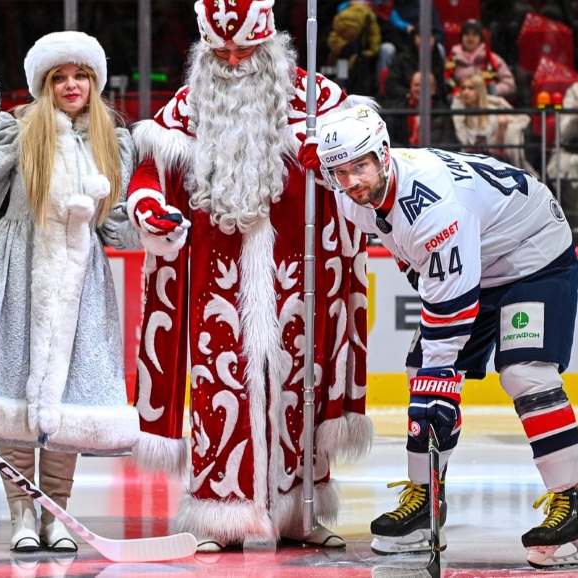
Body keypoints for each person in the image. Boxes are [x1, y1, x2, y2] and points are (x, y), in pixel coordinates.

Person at [126, 0, 371, 553]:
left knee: (301, 384)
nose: (234, 62)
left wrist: (326, 158)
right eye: (223, 52)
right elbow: (151, 169)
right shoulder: (190, 104)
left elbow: (362, 157)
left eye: (245, 51)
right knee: (219, 386)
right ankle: (220, 517)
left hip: (299, 272)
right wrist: (147, 207)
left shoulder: (317, 100)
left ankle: (298, 515)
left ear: (271, 46)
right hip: (217, 276)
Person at [314, 104, 578, 570]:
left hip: (532, 254)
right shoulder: (355, 194)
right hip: (477, 257)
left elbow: (449, 312)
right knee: (421, 370)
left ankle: (574, 510)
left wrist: (440, 381)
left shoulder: (434, 206)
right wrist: (434, 377)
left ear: (384, 154)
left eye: (359, 166)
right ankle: (425, 498)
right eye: (339, 171)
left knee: (525, 372)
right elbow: (428, 272)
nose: (350, 182)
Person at [0, 31, 140, 553]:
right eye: (60, 77)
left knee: (70, 400)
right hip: (17, 273)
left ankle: (56, 512)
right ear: (43, 84)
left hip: (82, 283)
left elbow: (119, 226)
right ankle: (21, 514)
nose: (71, 85)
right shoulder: (19, 128)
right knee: (11, 395)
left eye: (80, 75)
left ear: (95, 81)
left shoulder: (113, 138)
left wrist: (155, 224)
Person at [452, 73, 536, 175]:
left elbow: (524, 119)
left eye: (470, 88)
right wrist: (457, 105)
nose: (465, 92)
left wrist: (501, 128)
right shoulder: (460, 112)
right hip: (468, 162)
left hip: (492, 161)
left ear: (479, 91)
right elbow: (463, 140)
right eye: (463, 88)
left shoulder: (492, 111)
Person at [445, 19, 516, 99]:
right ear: (461, 37)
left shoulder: (492, 58)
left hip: (487, 102)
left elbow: (509, 84)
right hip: (460, 102)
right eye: (467, 34)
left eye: (474, 34)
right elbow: (445, 81)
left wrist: (493, 91)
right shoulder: (452, 59)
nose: (470, 38)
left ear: (480, 38)